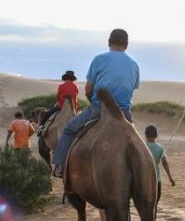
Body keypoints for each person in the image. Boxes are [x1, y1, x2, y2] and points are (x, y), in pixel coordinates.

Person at [51, 28, 140, 178]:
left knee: (69, 129)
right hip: (124, 112)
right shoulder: (134, 65)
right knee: (136, 141)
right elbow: (131, 89)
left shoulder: (99, 59)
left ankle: (59, 165)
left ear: (109, 42)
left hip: (100, 108)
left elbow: (88, 88)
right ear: (126, 45)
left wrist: (90, 97)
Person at [145, 125, 176, 204]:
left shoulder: (142, 147)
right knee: (155, 201)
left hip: (143, 179)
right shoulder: (160, 148)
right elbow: (165, 163)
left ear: (145, 135)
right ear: (156, 136)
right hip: (156, 179)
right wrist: (170, 178)